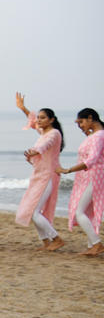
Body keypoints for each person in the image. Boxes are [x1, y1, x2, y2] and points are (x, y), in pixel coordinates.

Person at [14, 93, 64, 251]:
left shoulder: (54, 134)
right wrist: (23, 108)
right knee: (31, 210)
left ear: (51, 120)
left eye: (43, 118)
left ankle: (56, 238)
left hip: (48, 176)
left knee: (35, 212)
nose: (39, 120)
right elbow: (32, 120)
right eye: (39, 117)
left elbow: (46, 146)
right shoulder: (43, 133)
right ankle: (47, 242)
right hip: (38, 175)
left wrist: (35, 151)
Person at [58, 108, 104, 255]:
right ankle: (92, 245)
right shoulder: (95, 136)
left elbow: (91, 160)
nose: (81, 126)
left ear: (90, 118)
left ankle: (97, 243)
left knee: (80, 212)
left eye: (82, 122)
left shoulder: (99, 136)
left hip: (95, 176)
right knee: (87, 211)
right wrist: (88, 135)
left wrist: (68, 170)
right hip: (89, 177)